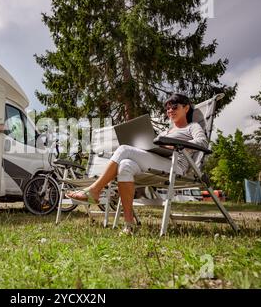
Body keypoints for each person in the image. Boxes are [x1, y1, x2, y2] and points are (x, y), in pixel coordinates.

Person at [66, 93, 208, 235]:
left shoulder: (192, 127)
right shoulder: (166, 131)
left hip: (175, 166)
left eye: (174, 107)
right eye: (168, 108)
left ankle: (94, 190)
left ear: (186, 108)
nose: (170, 111)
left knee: (123, 149)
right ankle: (129, 225)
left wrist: (176, 145)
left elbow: (202, 142)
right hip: (158, 161)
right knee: (125, 165)